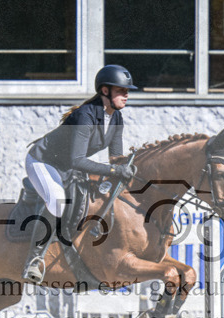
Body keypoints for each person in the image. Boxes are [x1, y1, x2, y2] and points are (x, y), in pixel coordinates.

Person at [22, 64, 138, 283]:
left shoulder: (116, 119)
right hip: (42, 162)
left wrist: (132, 167)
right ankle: (34, 259)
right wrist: (115, 170)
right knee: (57, 201)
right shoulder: (85, 116)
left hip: (67, 167)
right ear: (105, 91)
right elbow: (78, 160)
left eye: (127, 91)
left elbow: (115, 159)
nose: (126, 95)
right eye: (121, 90)